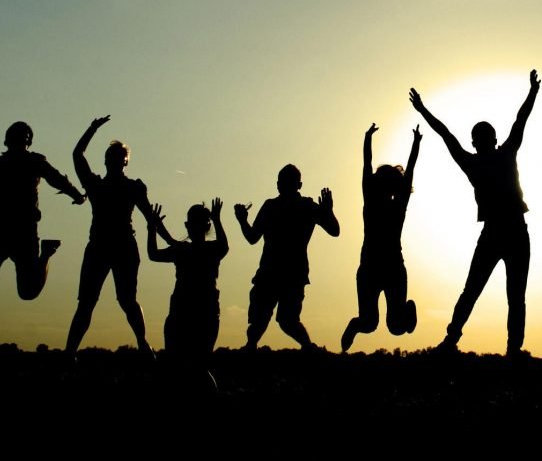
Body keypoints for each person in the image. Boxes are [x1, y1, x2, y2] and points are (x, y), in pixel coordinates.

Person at [409, 69, 540, 356]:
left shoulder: (484, 159)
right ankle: (472, 343)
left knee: (493, 292)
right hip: (503, 232)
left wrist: (532, 92)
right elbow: (518, 121)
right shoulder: (494, 157)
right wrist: (532, 92)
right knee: (497, 294)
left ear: (481, 141)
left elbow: (447, 134)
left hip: (507, 232)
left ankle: (486, 345)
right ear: (489, 140)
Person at [65, 116, 170, 360]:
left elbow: (150, 217)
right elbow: (77, 155)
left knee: (127, 300)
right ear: (106, 161)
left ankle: (143, 343)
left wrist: (171, 240)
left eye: (119, 157)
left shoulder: (133, 187)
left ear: (125, 162)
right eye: (111, 157)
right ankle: (70, 351)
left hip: (123, 247)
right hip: (99, 246)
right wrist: (92, 128)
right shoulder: (95, 185)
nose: (115, 161)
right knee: (87, 302)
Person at [0, 121, 85, 301]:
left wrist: (76, 195)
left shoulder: (33, 162)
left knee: (27, 292)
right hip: (1, 228)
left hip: (23, 230)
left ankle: (45, 253)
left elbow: (56, 179)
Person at [235, 164, 340, 351]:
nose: (283, 186)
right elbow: (253, 237)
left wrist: (328, 211)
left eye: (286, 182)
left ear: (298, 185)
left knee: (281, 320)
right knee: (266, 319)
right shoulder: (282, 206)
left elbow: (334, 231)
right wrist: (243, 221)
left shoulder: (301, 206)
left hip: (287, 274)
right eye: (282, 182)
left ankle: (308, 348)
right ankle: (303, 348)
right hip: (277, 273)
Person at [341, 123, 421, 353]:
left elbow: (370, 166)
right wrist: (415, 143)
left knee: (395, 327)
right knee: (369, 323)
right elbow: (368, 165)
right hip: (372, 268)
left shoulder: (387, 204)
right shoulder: (379, 202)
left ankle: (407, 309)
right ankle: (354, 326)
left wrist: (368, 138)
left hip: (390, 268)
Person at [147, 199, 228, 389]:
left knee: (193, 366)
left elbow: (154, 253)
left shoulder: (189, 250)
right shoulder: (199, 249)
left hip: (195, 314)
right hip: (188, 313)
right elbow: (155, 254)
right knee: (193, 366)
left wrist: (152, 228)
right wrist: (217, 219)